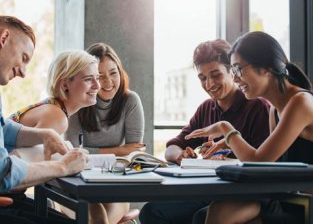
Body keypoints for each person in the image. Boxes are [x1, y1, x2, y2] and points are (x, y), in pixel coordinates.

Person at [185, 31, 313, 224]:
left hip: (308, 203)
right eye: (233, 71)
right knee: (211, 213)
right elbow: (268, 166)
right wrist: (231, 143)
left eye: (239, 69)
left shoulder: (300, 102)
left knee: (219, 214)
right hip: (287, 197)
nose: (236, 78)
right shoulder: (275, 108)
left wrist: (227, 129)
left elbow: (258, 162)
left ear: (265, 67)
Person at [139, 39, 270, 224]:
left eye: (216, 75)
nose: (209, 84)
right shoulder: (206, 108)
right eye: (202, 77)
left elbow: (263, 164)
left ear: (232, 71)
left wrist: (226, 158)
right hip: (211, 191)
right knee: (151, 211)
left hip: (244, 194)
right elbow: (172, 147)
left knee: (201, 217)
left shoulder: (257, 107)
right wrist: (180, 155)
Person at [0, 16, 88, 224]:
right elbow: (3, 173)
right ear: (3, 38)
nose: (23, 72)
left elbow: (2, 128)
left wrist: (43, 134)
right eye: (23, 57)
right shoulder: (56, 115)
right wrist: (63, 167)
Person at [64, 42, 145, 224]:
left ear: (120, 71)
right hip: (79, 183)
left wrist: (99, 152)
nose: (108, 82)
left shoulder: (130, 101)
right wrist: (119, 150)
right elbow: (74, 154)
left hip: (114, 184)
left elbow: (134, 154)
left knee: (101, 221)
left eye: (113, 73)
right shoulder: (77, 102)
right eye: (99, 76)